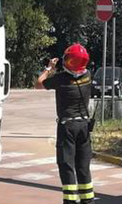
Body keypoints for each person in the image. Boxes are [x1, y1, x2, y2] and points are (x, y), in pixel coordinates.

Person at [35, 44, 95, 204]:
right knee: (83, 167)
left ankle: (70, 202)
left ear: (67, 60)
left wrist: (49, 68)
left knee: (66, 165)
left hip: (67, 127)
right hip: (84, 126)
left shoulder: (60, 79)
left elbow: (39, 83)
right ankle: (88, 201)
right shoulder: (88, 75)